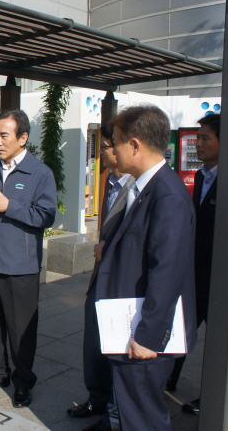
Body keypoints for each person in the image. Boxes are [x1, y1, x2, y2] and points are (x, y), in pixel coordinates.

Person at [89, 105, 198, 431]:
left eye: (116, 142)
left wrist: (148, 337)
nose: (110, 150)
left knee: (143, 419)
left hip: (146, 337)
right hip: (129, 326)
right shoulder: (144, 186)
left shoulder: (167, 196)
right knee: (130, 411)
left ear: (135, 145)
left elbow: (167, 271)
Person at [0, 109, 57, 408]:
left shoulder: (40, 172)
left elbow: (46, 215)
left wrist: (10, 205)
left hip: (20, 266)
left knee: (21, 330)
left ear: (23, 138)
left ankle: (23, 380)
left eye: (4, 135)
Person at [70, 124, 133, 429]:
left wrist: (107, 252)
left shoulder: (141, 187)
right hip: (100, 279)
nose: (103, 153)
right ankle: (96, 398)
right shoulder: (108, 181)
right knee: (93, 344)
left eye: (107, 146)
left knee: (117, 350)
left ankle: (116, 412)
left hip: (123, 284)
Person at [165, 113, 220, 415]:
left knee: (218, 344)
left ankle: (213, 395)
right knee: (181, 331)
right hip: (194, 274)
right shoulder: (201, 175)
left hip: (218, 278)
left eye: (205, 138)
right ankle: (168, 378)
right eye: (197, 138)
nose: (198, 144)